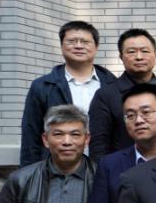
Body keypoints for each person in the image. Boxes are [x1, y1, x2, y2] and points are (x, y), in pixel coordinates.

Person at [20, 21, 116, 166]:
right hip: (56, 168)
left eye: (85, 42)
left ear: (96, 47)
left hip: (104, 166)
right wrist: (29, 172)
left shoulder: (113, 85)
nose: (78, 46)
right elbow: (31, 133)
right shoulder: (43, 86)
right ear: (61, 46)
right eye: (71, 41)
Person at [88, 29, 156, 160]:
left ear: (155, 55)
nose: (139, 57)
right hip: (122, 168)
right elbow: (98, 145)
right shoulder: (106, 95)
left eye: (145, 51)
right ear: (121, 57)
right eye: (131, 52)